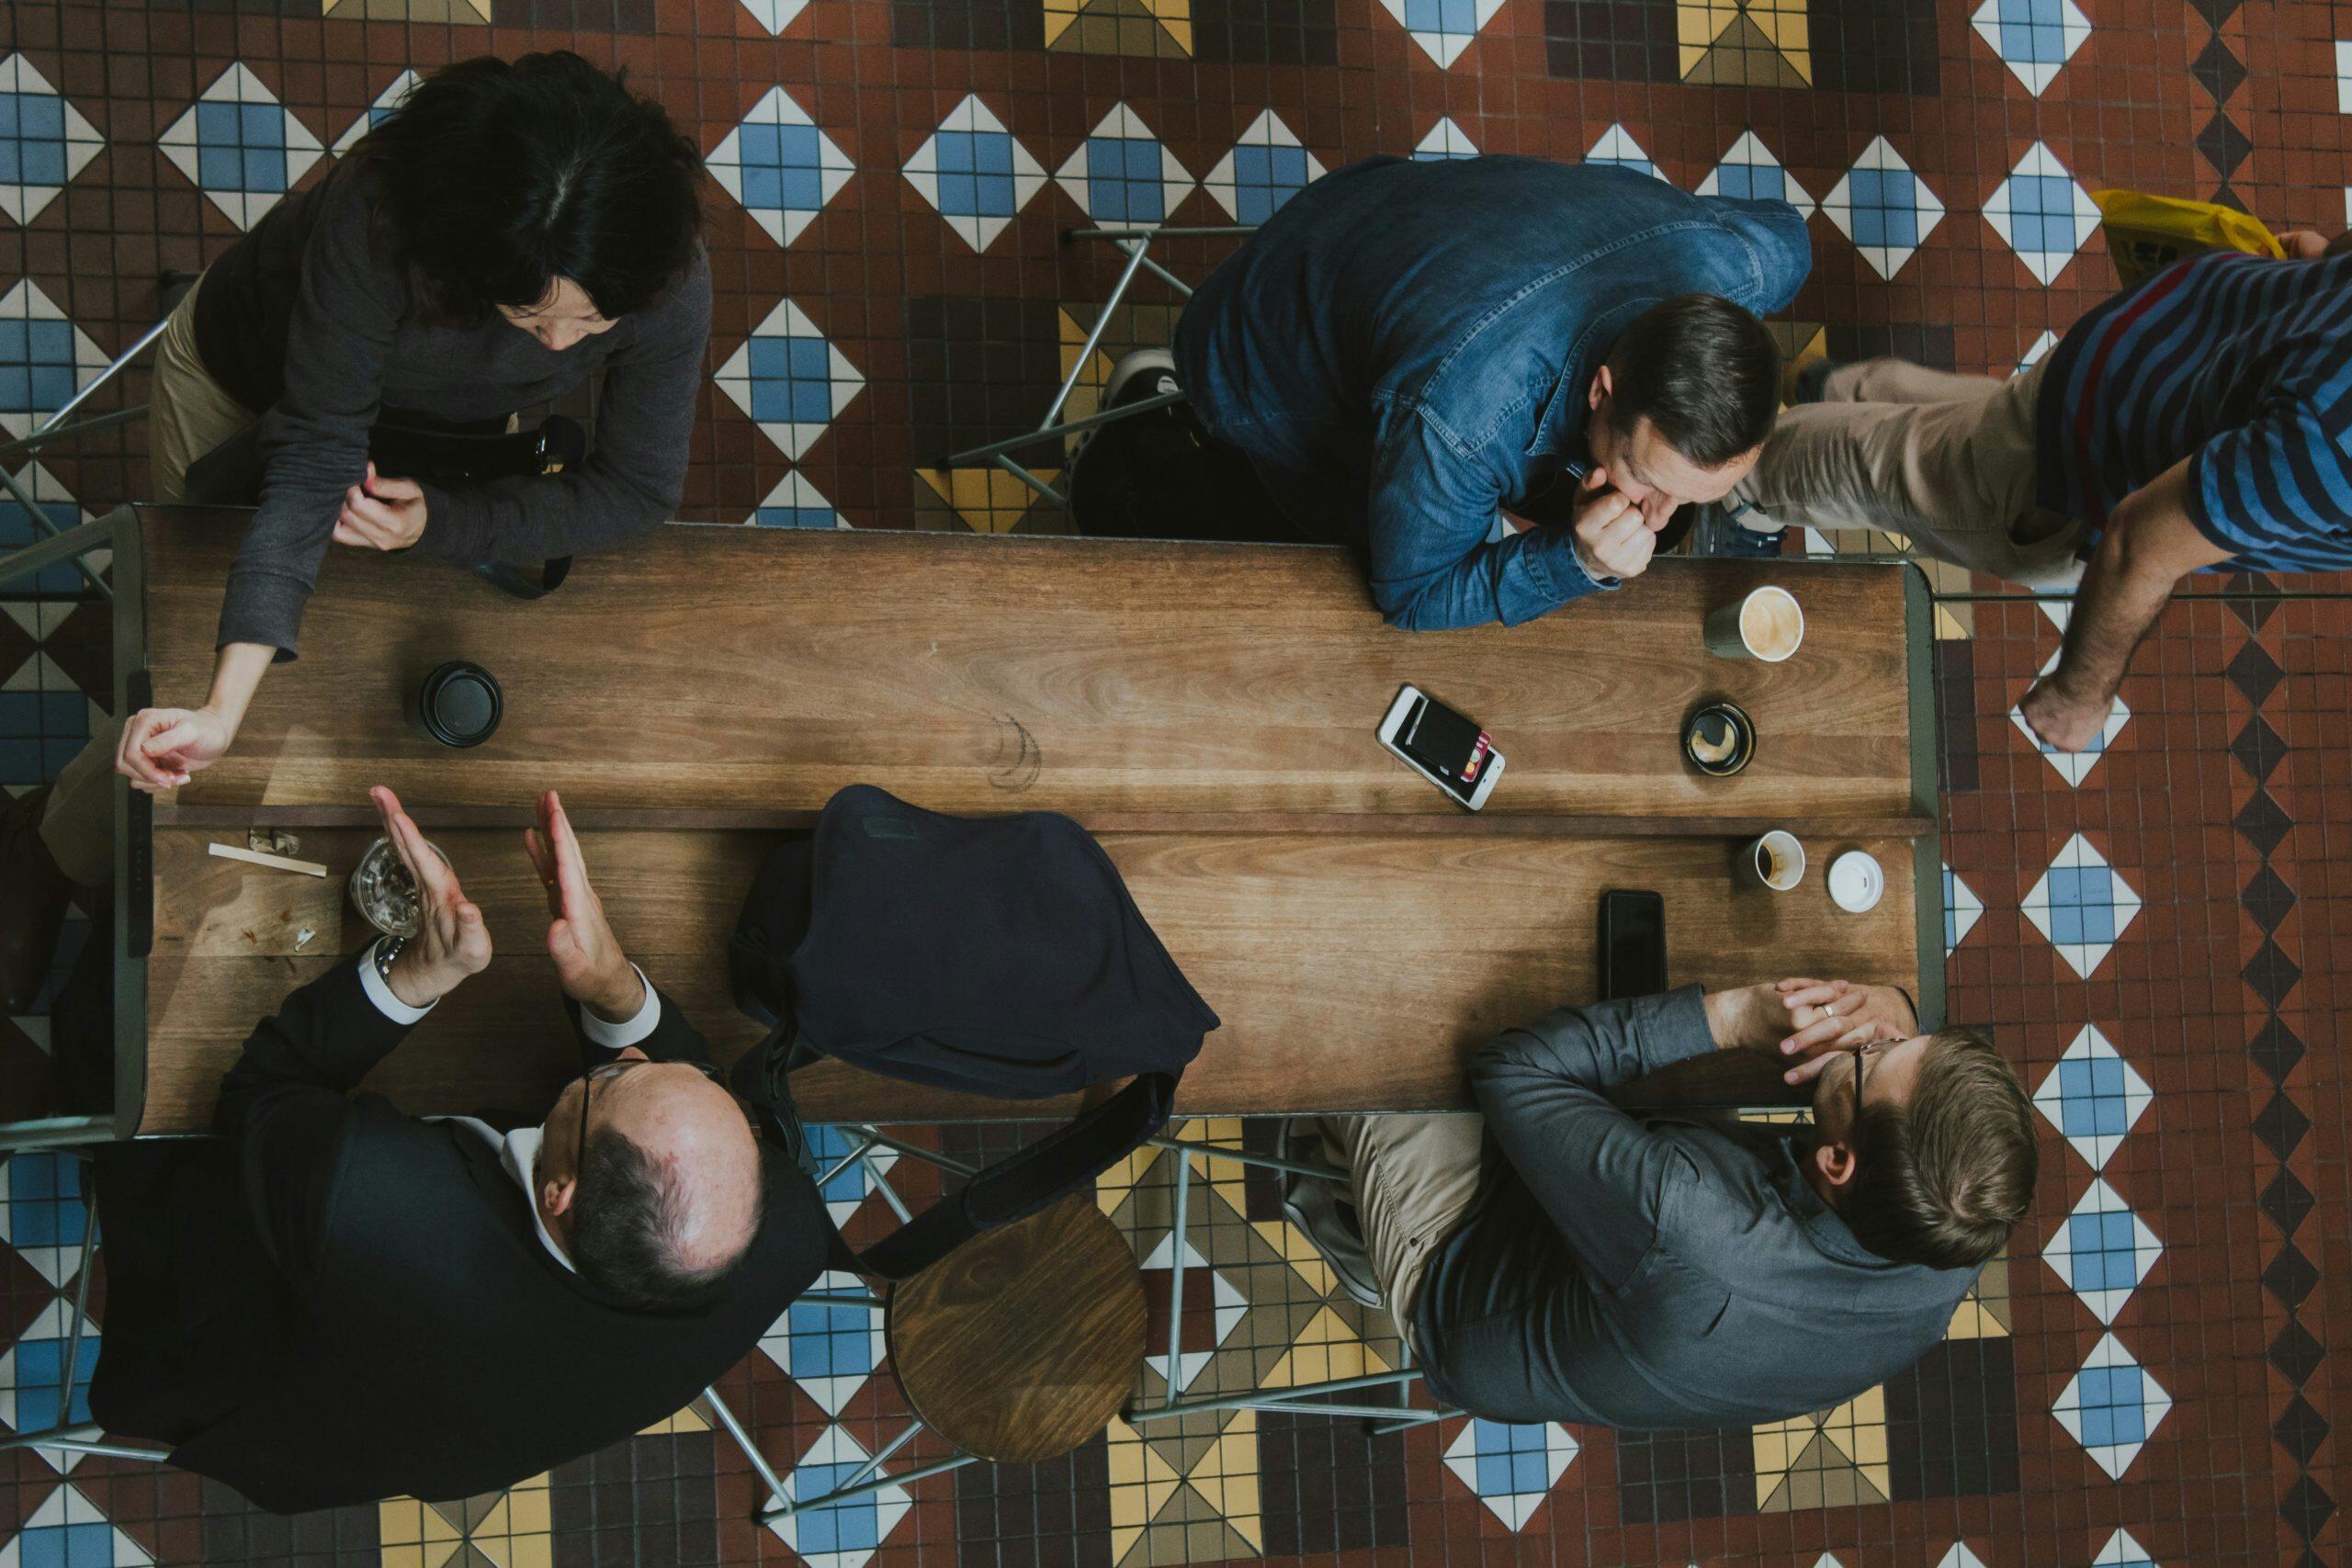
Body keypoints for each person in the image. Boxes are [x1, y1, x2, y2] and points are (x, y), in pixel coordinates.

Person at [0, 50, 711, 1011]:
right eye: (524, 315)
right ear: (466, 259)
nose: (554, 348)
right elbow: (309, 456)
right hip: (247, 390)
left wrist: (444, 521)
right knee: (183, 666)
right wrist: (217, 710)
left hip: (432, 457)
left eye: (589, 327)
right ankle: (42, 847)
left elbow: (634, 489)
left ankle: (67, 835)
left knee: (333, 680)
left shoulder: (657, 272)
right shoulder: (383, 215)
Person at [84, 787, 829, 1513]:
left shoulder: (371, 1197)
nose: (634, 1052)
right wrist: (612, 991)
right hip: (476, 1393)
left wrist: (415, 974)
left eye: (610, 1076)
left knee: (118, 1017)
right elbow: (667, 1083)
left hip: (246, 1375)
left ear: (558, 1191)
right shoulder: (784, 1225)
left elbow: (264, 1090)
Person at [1090, 154, 1808, 630]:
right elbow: (1409, 595)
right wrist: (1577, 563)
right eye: (1651, 482)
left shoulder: (1744, 262)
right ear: (1602, 390)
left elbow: (1791, 233)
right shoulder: (1463, 412)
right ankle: (1135, 435)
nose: (1656, 517)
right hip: (1258, 356)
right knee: (1331, 549)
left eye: (1693, 494)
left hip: (1392, 210)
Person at [1301, 976, 2036, 1427]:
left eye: (1876, 1055)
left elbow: (1511, 1069)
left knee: (1384, 1024)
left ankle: (1352, 1219)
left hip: (1462, 1266)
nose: (1874, 1035)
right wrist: (1892, 1003)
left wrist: (1735, 1018)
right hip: (1621, 1264)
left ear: (1838, 1161)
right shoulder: (1955, 1228)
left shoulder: (1685, 1216)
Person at [1729, 226, 2352, 753]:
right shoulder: (2337, 444)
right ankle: (1744, 478)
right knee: (1907, 471)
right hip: (2100, 454)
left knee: (1991, 429)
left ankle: (1843, 392)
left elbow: (2331, 250)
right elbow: (2141, 543)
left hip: (2167, 333)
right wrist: (2080, 694)